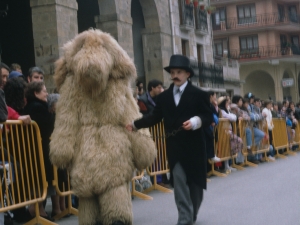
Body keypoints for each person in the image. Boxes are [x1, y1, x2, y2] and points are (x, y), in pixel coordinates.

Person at [126, 54, 213, 225]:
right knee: (179, 182)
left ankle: (192, 212)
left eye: (179, 72)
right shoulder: (164, 97)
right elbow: (154, 117)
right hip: (175, 148)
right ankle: (184, 218)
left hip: (195, 147)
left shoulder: (199, 94)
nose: (175, 75)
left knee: (195, 186)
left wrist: (196, 121)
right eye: (173, 72)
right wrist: (135, 125)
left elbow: (208, 116)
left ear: (187, 74)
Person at [24, 82, 55, 221]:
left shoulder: (36, 106)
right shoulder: (37, 107)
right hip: (38, 149)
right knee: (39, 178)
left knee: (41, 179)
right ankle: (37, 209)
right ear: (36, 93)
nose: (46, 93)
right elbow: (48, 125)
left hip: (38, 148)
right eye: (44, 91)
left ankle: (38, 209)